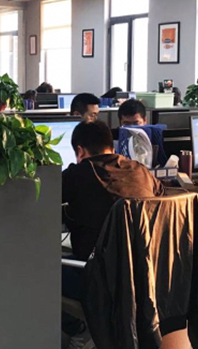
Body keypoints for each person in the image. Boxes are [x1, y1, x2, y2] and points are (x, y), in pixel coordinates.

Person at [62, 121, 164, 294]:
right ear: (112, 146)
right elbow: (161, 198)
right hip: (146, 275)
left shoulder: (76, 174)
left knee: (43, 269)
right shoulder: (140, 171)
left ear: (80, 151)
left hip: (97, 280)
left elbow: (45, 200)